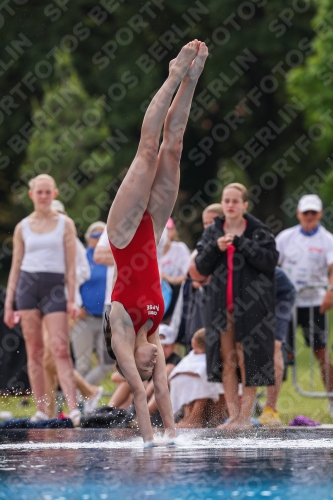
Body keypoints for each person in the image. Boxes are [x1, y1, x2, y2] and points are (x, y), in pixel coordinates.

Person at [103, 40, 209, 445]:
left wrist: (149, 441)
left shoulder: (123, 333)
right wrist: (171, 438)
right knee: (175, 148)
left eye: (145, 369)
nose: (151, 367)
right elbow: (161, 392)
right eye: (153, 367)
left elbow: (138, 387)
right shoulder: (157, 332)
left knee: (148, 151)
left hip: (124, 234)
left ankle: (173, 74)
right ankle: (192, 81)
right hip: (152, 229)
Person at [193, 183, 278, 430]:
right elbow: (201, 266)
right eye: (226, 200)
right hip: (221, 307)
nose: (230, 205)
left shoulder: (258, 231)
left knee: (247, 359)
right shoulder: (213, 232)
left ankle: (245, 417)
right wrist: (214, 248)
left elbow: (270, 261)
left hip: (251, 307)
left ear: (245, 205)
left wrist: (241, 243)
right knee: (227, 360)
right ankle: (233, 416)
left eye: (235, 201)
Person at [4, 174, 81, 425]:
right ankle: (41, 409)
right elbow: (15, 266)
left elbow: (72, 265)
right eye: (40, 192)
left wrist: (72, 298)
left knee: (60, 348)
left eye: (49, 192)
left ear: (55, 194)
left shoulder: (65, 224)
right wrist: (9, 304)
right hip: (27, 285)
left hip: (55, 286)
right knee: (33, 350)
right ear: (32, 195)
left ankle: (73, 407)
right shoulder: (22, 227)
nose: (45, 196)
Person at [42, 200, 103, 417]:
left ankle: (89, 391)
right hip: (44, 305)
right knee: (46, 359)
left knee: (52, 356)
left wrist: (67, 276)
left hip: (67, 305)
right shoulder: (40, 242)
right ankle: (48, 412)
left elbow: (84, 271)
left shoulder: (71, 241)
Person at [276, 194, 333, 415]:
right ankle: (270, 405)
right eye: (305, 212)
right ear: (299, 213)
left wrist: (329, 293)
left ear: (319, 214)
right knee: (278, 351)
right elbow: (273, 265)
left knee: (321, 351)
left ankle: (330, 399)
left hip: (314, 303)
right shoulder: (285, 237)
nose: (309, 217)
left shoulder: (327, 239)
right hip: (287, 303)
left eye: (313, 213)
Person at [71, 221, 113, 385]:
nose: (99, 239)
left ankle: (86, 394)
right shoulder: (82, 258)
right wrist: (77, 304)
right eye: (96, 235)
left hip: (106, 318)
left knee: (107, 363)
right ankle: (80, 405)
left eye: (103, 235)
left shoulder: (113, 258)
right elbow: (72, 283)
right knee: (83, 364)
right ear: (89, 239)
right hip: (85, 318)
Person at [259, 267, 296, 426]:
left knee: (274, 346)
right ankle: (241, 409)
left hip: (279, 295)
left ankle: (270, 409)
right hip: (253, 296)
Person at [169, 328, 225, 428]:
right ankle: (188, 416)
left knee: (200, 384)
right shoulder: (192, 356)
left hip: (206, 390)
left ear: (193, 343)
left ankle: (195, 417)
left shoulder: (210, 358)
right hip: (185, 383)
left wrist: (190, 373)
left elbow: (203, 372)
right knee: (190, 384)